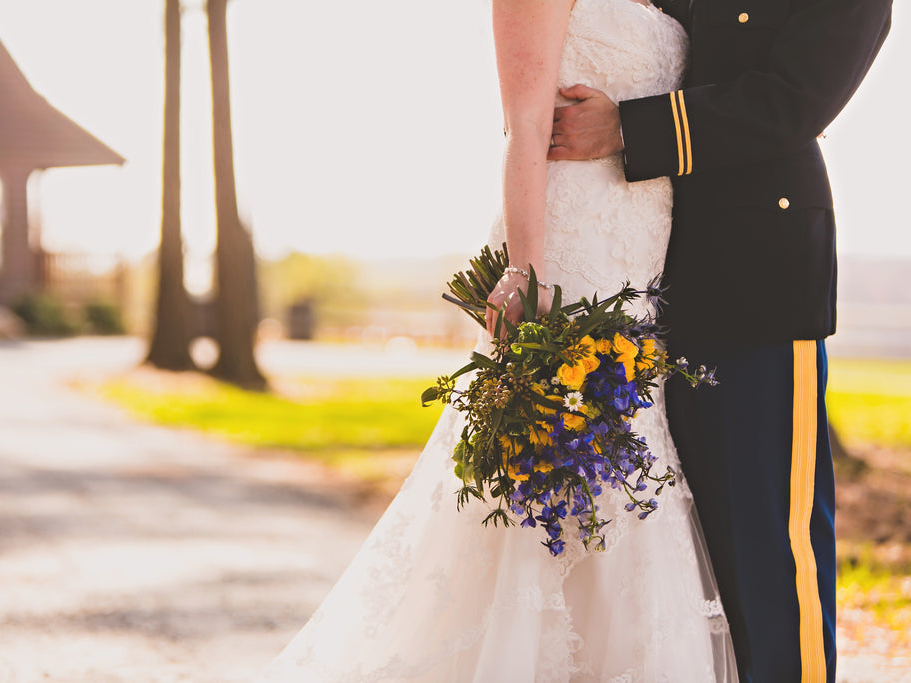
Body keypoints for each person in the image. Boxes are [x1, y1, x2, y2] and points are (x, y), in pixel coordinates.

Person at [259, 0, 738, 679]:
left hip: (640, 260)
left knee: (628, 475)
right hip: (570, 249)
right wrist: (526, 266)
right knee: (552, 481)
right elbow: (523, 123)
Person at [547, 0, 892, 680]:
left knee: (772, 554)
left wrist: (627, 126)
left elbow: (791, 100)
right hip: (649, 289)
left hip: (758, 289)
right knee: (686, 562)